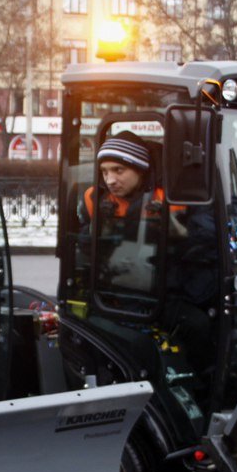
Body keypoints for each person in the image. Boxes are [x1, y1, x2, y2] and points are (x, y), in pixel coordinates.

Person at [77, 131, 218, 370]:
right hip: (114, 295)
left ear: (140, 169)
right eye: (105, 172)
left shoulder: (177, 195)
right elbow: (81, 248)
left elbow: (209, 241)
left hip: (163, 294)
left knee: (200, 327)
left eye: (119, 170)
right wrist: (98, 233)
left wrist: (181, 235)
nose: (110, 180)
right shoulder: (96, 200)